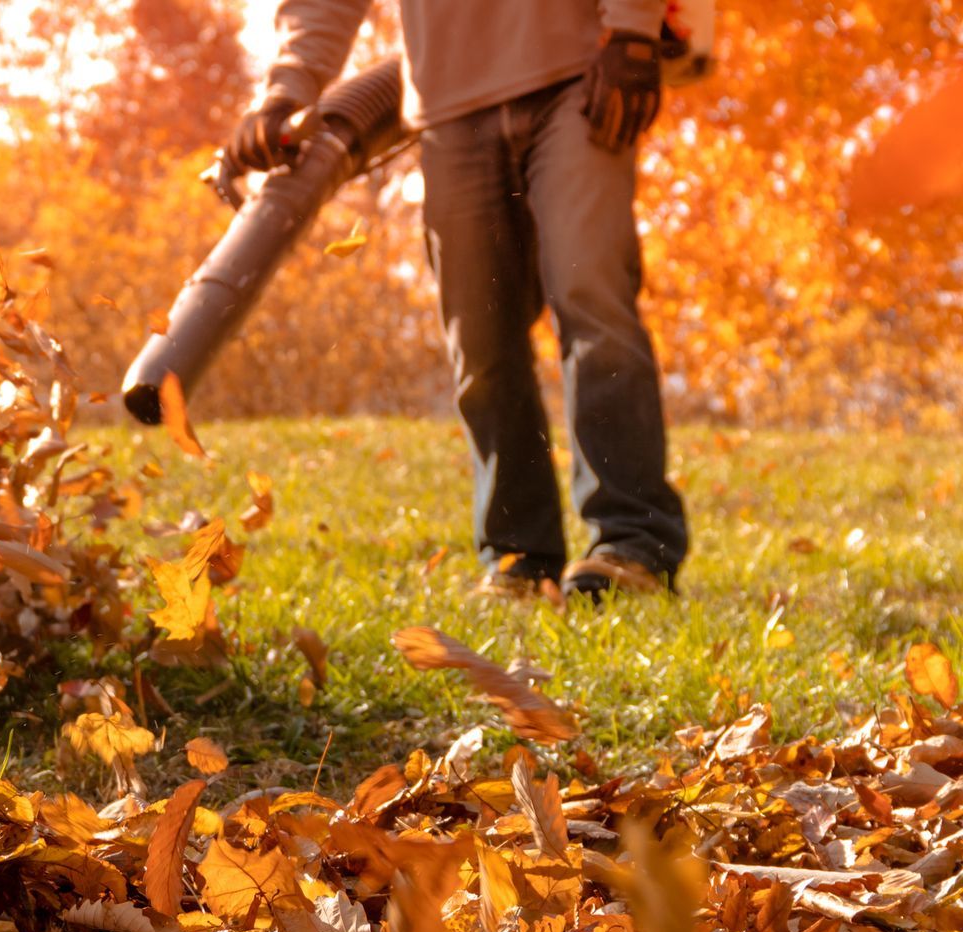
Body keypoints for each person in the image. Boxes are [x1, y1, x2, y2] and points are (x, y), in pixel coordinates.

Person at [231, 1, 689, 601]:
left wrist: (631, 30)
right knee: (479, 336)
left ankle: (633, 544)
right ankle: (519, 557)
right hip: (450, 106)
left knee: (591, 295)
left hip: (580, 73)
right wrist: (286, 90)